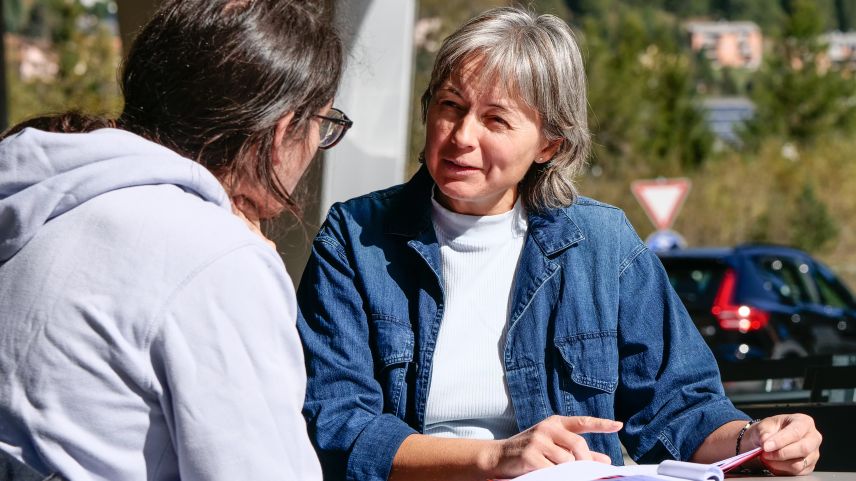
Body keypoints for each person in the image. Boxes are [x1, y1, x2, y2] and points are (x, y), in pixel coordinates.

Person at [296, 7, 821, 481]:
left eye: (496, 119)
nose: (460, 136)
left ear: (550, 143)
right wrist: (493, 458)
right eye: (450, 106)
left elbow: (679, 411)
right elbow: (338, 425)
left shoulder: (602, 245)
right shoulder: (355, 239)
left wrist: (758, 441)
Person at [0, 1, 350, 480]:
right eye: (324, 125)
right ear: (284, 129)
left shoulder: (41, 194)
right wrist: (244, 267)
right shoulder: (215, 258)